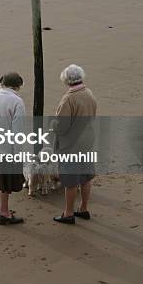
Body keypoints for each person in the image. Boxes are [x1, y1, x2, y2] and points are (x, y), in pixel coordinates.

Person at [52, 64, 97, 225]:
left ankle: (68, 213)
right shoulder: (89, 93)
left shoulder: (68, 99)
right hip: (87, 140)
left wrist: (53, 125)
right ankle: (83, 208)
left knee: (70, 180)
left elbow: (62, 126)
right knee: (86, 176)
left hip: (71, 144)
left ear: (66, 80)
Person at [0, 72, 25, 225]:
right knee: (6, 183)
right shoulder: (17, 102)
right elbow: (18, 131)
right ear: (18, 85)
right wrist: (18, 153)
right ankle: (5, 213)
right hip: (6, 148)